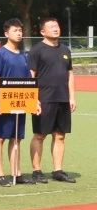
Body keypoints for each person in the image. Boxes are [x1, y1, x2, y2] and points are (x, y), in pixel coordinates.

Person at [28, 16, 77, 183]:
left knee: (60, 135)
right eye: (51, 26)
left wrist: (72, 97)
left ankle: (58, 170)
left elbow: (70, 74)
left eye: (57, 26)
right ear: (43, 31)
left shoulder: (65, 50)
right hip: (44, 99)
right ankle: (36, 171)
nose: (56, 28)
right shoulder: (36, 50)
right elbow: (31, 75)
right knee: (40, 135)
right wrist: (33, 98)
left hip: (62, 98)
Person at [0, 19, 33, 186]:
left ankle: (16, 173)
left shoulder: (24, 55)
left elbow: (29, 81)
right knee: (0, 137)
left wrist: (34, 101)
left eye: (20, 30)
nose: (19, 33)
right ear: (6, 33)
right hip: (4, 101)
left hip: (21, 102)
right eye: (15, 30)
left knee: (16, 138)